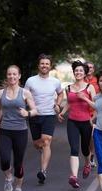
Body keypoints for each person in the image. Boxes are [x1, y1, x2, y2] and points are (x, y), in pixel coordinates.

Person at [0, 65, 38, 191]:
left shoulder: (25, 93)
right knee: (5, 159)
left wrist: (27, 113)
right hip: (5, 131)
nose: (12, 76)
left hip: (20, 132)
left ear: (19, 76)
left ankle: (18, 188)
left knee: (18, 164)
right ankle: (8, 177)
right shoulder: (0, 93)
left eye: (14, 74)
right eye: (9, 74)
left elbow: (35, 110)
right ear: (7, 76)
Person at [24, 54, 64, 184]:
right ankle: (42, 151)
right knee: (37, 144)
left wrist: (57, 104)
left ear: (50, 66)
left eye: (47, 64)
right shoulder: (30, 81)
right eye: (42, 63)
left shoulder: (55, 82)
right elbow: (24, 96)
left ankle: (43, 171)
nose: (44, 66)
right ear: (38, 65)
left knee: (46, 141)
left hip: (48, 115)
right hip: (35, 116)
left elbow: (60, 93)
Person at [58, 60, 96, 188]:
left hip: (86, 122)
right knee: (74, 149)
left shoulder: (89, 87)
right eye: (76, 71)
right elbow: (69, 103)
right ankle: (73, 176)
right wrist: (62, 113)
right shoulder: (68, 88)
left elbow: (96, 105)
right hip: (72, 122)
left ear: (85, 73)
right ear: (74, 73)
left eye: (81, 70)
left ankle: (87, 163)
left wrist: (84, 98)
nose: (78, 72)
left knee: (85, 149)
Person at [84, 61, 100, 168]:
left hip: (95, 111)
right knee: (86, 137)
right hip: (83, 112)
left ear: (93, 69)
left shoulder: (98, 81)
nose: (89, 69)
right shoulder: (81, 80)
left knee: (92, 135)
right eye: (87, 67)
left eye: (91, 67)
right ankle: (88, 154)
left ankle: (92, 155)